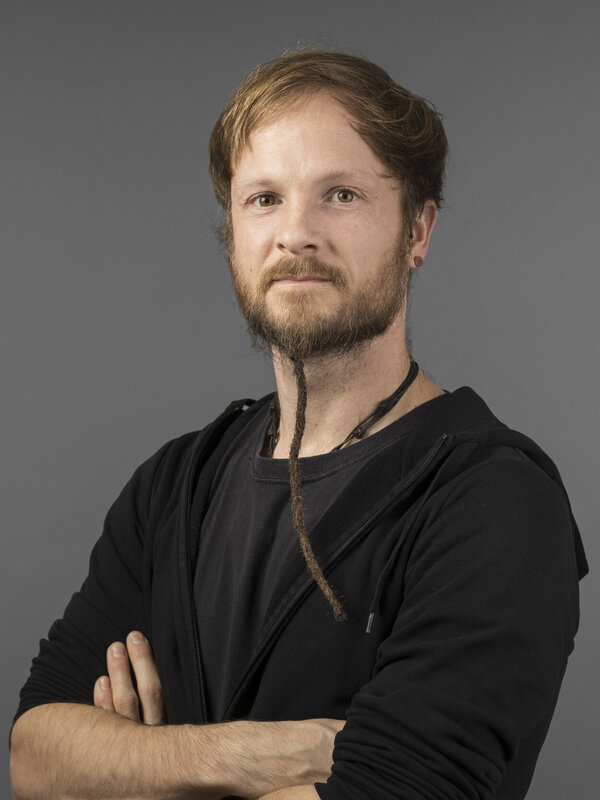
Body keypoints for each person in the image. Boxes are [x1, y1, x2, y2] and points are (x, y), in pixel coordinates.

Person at [10, 49, 588, 800]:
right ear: (232, 230)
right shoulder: (174, 487)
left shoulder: (493, 501)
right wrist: (258, 756)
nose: (295, 234)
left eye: (341, 195)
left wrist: (138, 766)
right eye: (263, 199)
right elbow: (34, 756)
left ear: (417, 230)